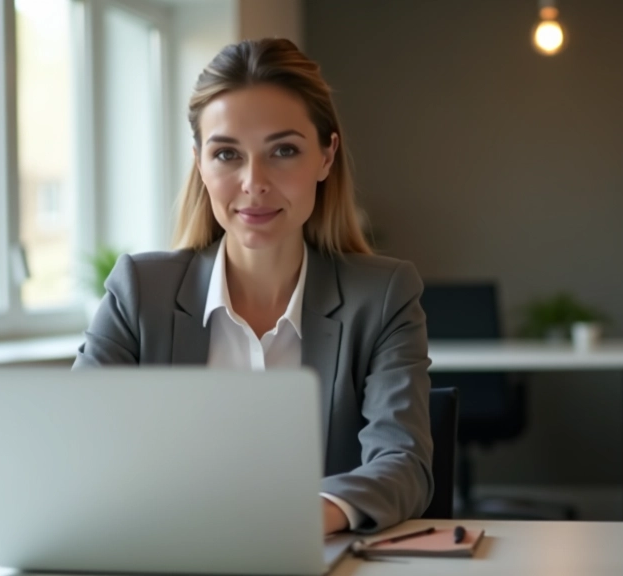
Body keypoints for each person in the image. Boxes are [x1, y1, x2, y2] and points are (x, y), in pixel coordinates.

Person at [74, 38, 433, 535]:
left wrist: (295, 520)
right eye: (226, 154)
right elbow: (74, 446)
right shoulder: (139, 291)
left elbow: (403, 463)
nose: (254, 182)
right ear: (200, 161)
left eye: (283, 150)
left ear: (326, 157)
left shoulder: (384, 296)